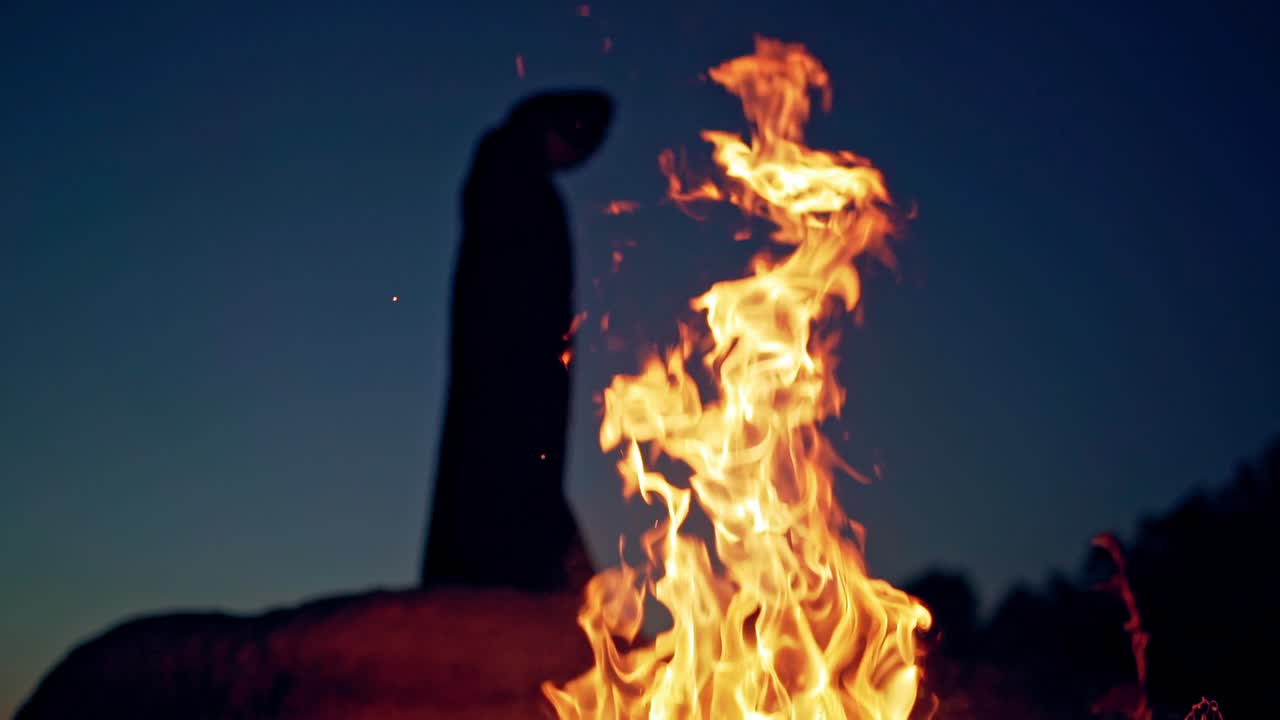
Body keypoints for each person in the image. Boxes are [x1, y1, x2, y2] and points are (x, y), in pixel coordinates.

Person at [420, 90, 613, 593]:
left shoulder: (520, 179)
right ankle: (495, 585)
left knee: (521, 473)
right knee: (499, 475)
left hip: (526, 369)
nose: (577, 158)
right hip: (507, 370)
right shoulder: (510, 173)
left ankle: (516, 579)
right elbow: (506, 287)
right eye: (578, 141)